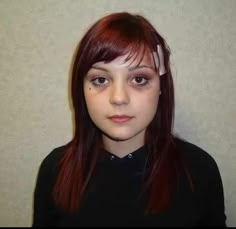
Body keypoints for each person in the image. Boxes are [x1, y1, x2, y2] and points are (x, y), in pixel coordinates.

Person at [32, 12, 226, 227]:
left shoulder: (198, 170)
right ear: (81, 90)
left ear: (161, 88)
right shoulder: (55, 170)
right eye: (100, 79)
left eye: (139, 79)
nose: (119, 98)